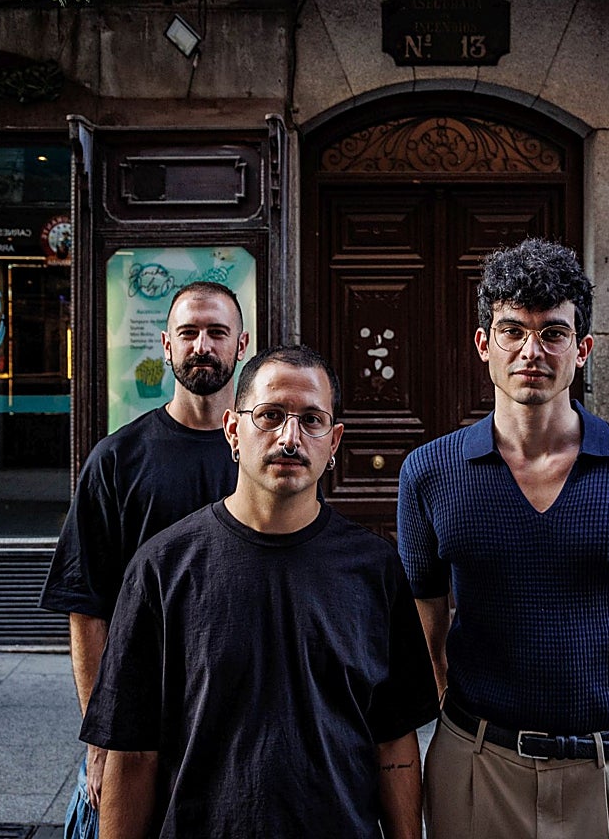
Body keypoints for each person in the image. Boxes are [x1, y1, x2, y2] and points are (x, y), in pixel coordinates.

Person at [397, 238, 609, 839]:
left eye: (553, 332)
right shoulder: (430, 472)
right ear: (485, 345)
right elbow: (424, 643)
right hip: (478, 766)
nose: (532, 351)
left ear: (582, 349)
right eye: (513, 330)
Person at [80, 345, 440, 838]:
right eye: (270, 416)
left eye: (312, 420)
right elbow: (133, 750)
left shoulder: (374, 570)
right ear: (233, 429)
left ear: (334, 443)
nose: (290, 437)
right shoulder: (162, 568)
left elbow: (394, 744)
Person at [39, 280, 249, 839]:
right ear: (165, 345)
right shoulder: (116, 460)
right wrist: (101, 735)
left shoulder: (269, 458)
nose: (202, 344)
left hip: (244, 715)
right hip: (144, 716)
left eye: (216, 333)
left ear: (242, 344)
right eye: (189, 333)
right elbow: (87, 609)